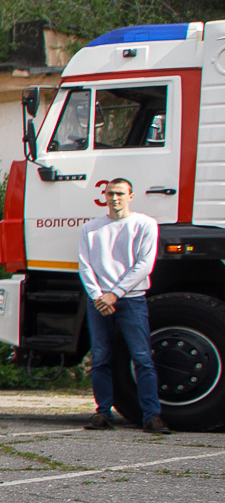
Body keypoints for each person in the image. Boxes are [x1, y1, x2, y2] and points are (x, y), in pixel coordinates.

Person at [77, 178, 165, 432]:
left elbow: (144, 265)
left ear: (131, 196)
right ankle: (103, 413)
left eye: (120, 194)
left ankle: (152, 416)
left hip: (131, 299)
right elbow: (85, 265)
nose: (115, 198)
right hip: (99, 302)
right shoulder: (91, 229)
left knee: (142, 358)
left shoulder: (145, 224)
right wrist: (98, 296)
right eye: (110, 193)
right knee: (100, 359)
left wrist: (114, 294)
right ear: (103, 196)